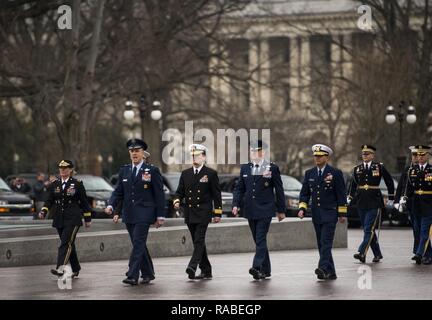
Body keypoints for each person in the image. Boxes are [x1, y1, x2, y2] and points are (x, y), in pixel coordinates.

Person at [105, 138, 166, 285]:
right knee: (139, 244)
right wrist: (111, 205)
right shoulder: (124, 170)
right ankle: (148, 273)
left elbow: (159, 194)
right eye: (131, 151)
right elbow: (118, 191)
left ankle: (132, 275)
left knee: (138, 243)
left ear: (143, 153)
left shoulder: (152, 170)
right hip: (129, 213)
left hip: (145, 213)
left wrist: (160, 215)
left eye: (137, 151)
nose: (134, 153)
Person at [232, 140, 286, 280]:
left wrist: (281, 210)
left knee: (260, 238)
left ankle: (256, 267)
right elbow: (239, 188)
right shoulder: (245, 168)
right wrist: (235, 204)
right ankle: (266, 270)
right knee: (258, 240)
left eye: (256, 151)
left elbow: (279, 190)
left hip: (265, 210)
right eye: (251, 151)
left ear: (263, 152)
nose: (253, 153)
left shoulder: (271, 168)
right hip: (250, 210)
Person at [173, 144, 222, 280]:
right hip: (189, 212)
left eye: (198, 155)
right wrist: (176, 201)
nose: (195, 157)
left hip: (203, 212)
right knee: (197, 242)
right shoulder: (186, 173)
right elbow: (179, 192)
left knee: (199, 239)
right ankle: (207, 270)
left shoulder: (211, 174)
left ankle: (192, 266)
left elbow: (217, 195)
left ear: (204, 157)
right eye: (193, 155)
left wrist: (217, 213)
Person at [298, 144, 347, 280]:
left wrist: (342, 213)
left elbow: (341, 194)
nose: (317, 158)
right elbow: (304, 194)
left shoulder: (335, 173)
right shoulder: (310, 173)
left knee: (326, 242)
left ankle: (323, 268)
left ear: (327, 157)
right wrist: (302, 208)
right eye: (315, 156)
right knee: (321, 243)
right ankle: (331, 272)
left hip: (330, 214)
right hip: (316, 214)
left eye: (320, 156)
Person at [38, 160, 92, 278]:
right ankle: (76, 268)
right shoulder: (55, 184)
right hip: (59, 218)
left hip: (73, 218)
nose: (62, 170)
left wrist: (87, 218)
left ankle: (60, 268)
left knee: (65, 243)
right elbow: (49, 200)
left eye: (65, 168)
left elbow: (84, 202)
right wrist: (44, 210)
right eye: (61, 168)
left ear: (71, 170)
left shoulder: (77, 184)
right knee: (69, 244)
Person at [348, 145, 395, 263]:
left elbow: (389, 181)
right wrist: (349, 196)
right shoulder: (357, 169)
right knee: (368, 229)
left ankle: (361, 252)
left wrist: (391, 197)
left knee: (368, 228)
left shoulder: (379, 167)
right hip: (361, 201)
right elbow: (353, 184)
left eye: (368, 154)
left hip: (374, 202)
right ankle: (378, 254)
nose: (365, 156)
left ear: (372, 155)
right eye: (363, 154)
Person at [405, 145, 432, 265]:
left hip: (428, 204)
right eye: (418, 155)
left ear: (427, 156)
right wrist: (404, 198)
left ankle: (419, 254)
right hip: (416, 204)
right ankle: (429, 255)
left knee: (424, 231)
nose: (420, 157)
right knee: (418, 229)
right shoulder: (412, 170)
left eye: (423, 155)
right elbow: (408, 188)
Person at [394, 146, 420, 255]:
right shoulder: (407, 170)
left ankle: (422, 252)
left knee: (421, 229)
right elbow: (401, 186)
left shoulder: (427, 169)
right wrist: (397, 201)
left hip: (423, 203)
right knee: (415, 228)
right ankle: (419, 251)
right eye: (413, 155)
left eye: (417, 155)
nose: (415, 157)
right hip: (411, 203)